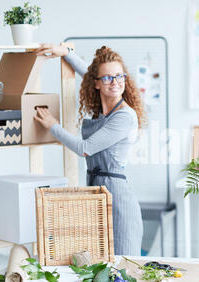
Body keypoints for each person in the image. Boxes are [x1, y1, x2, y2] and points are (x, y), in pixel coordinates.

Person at [34, 44, 145, 256]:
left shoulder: (124, 116)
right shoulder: (104, 107)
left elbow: (84, 148)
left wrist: (52, 125)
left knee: (122, 268)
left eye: (120, 76)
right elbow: (91, 73)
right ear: (96, 83)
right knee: (99, 265)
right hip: (96, 193)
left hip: (118, 200)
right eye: (108, 78)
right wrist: (67, 54)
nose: (115, 82)